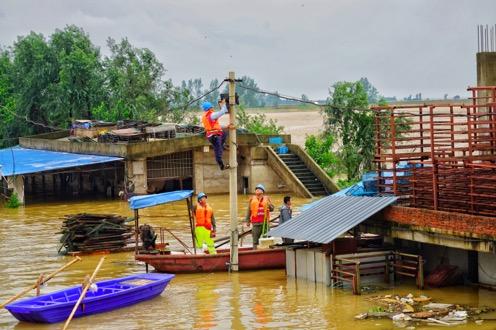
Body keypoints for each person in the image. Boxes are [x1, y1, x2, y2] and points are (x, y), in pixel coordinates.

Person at [201, 99, 230, 170]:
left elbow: (216, 126)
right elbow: (222, 112)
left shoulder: (206, 116)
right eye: (212, 107)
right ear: (210, 108)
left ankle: (222, 145)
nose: (213, 108)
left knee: (224, 133)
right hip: (215, 136)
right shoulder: (211, 115)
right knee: (218, 151)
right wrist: (224, 104)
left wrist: (226, 127)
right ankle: (221, 166)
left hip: (213, 135)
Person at [244, 184, 274, 249]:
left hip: (265, 223)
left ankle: (268, 251)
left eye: (259, 189)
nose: (257, 190)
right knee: (255, 240)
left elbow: (272, 209)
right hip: (256, 223)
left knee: (268, 239)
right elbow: (249, 211)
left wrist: (269, 205)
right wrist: (247, 221)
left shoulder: (267, 199)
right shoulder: (252, 200)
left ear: (262, 191)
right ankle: (255, 251)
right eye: (256, 189)